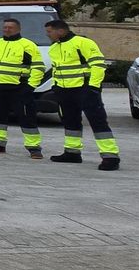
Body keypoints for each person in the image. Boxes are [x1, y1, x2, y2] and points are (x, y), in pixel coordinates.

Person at [45, 19, 120, 171]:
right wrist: (56, 87)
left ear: (60, 30)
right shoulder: (54, 48)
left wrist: (93, 87)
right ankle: (72, 152)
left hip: (84, 89)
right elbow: (58, 70)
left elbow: (98, 65)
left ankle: (110, 156)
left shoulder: (83, 43)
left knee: (97, 121)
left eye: (49, 31)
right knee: (70, 122)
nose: (48, 35)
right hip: (64, 91)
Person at [0, 18, 45, 158]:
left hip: (19, 88)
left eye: (10, 27)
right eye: (5, 27)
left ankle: (34, 148)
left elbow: (38, 67)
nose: (7, 30)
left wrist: (30, 86)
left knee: (27, 117)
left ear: (18, 29)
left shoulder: (28, 45)